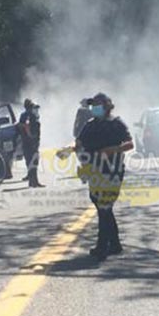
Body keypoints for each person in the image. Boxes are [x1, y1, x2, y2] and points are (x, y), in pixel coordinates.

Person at [60, 92, 133, 259]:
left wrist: (111, 150)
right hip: (94, 171)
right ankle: (115, 244)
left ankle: (102, 246)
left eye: (98, 105)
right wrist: (68, 149)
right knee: (103, 207)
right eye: (93, 105)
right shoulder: (90, 125)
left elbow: (129, 144)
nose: (95, 108)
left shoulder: (116, 123)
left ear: (107, 106)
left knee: (104, 206)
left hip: (112, 171)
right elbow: (78, 143)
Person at [17, 98, 44, 187]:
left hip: (26, 142)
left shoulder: (23, 115)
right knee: (34, 162)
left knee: (29, 161)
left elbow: (20, 126)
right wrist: (30, 136)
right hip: (32, 142)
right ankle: (34, 182)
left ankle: (32, 181)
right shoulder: (30, 116)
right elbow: (26, 126)